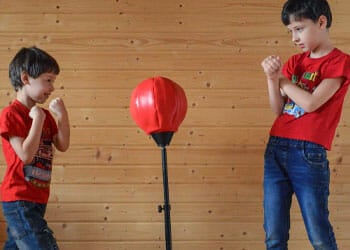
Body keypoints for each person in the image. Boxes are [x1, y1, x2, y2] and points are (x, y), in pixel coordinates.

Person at [261, 0, 350, 249]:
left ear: (321, 22)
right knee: (274, 234)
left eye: (299, 28)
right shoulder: (294, 62)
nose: (294, 38)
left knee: (319, 234)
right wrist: (272, 80)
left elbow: (311, 103)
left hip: (308, 152)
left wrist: (282, 80)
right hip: (276, 148)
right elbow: (278, 109)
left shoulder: (339, 62)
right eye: (290, 31)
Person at [0, 47, 70, 249]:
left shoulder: (46, 116)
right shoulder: (11, 114)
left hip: (38, 197)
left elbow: (62, 144)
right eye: (48, 80)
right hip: (18, 198)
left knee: (17, 244)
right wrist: (37, 120)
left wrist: (62, 116)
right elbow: (26, 155)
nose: (52, 87)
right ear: (25, 78)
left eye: (53, 81)